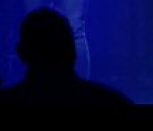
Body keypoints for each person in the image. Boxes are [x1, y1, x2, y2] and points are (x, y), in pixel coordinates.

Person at [0, 7, 132, 105]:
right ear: (72, 52)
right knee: (65, 30)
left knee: (72, 29)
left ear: (21, 53)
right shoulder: (111, 101)